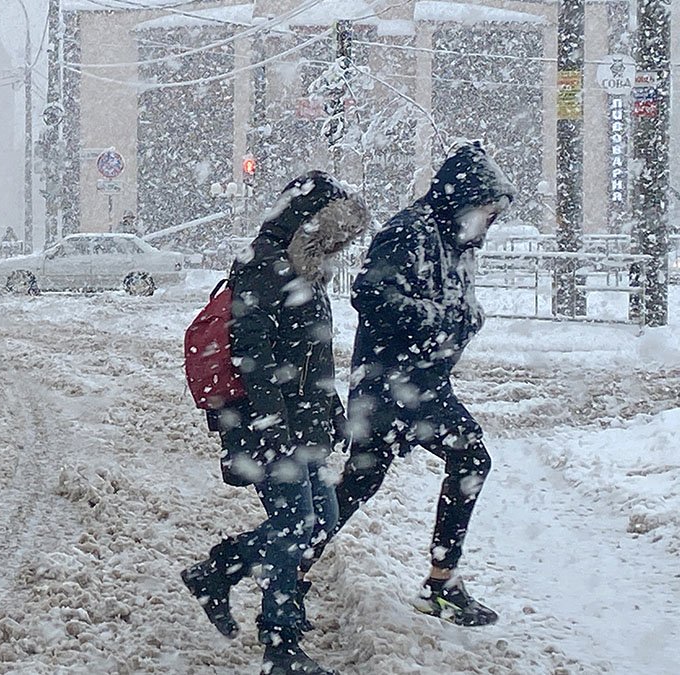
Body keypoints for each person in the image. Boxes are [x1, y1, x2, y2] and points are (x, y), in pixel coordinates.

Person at [311, 141, 515, 626]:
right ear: (462, 198)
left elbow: (455, 307)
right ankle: (442, 582)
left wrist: (467, 318)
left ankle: (284, 562)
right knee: (471, 458)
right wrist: (441, 320)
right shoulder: (410, 233)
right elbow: (370, 295)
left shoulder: (454, 240)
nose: (489, 223)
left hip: (414, 382)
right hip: (395, 385)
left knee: (361, 481)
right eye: (485, 211)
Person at [182, 171, 369, 675]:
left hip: (302, 423)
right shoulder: (264, 267)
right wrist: (271, 424)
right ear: (306, 224)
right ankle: (280, 645)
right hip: (265, 423)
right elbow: (252, 355)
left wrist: (331, 411)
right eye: (330, 236)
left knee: (321, 519)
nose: (336, 248)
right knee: (294, 525)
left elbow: (313, 354)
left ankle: (217, 572)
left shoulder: (305, 268)